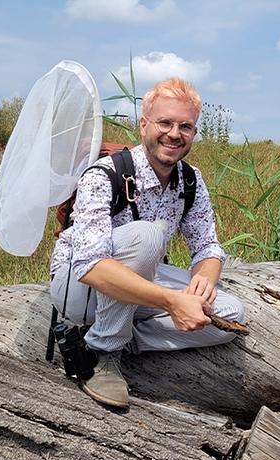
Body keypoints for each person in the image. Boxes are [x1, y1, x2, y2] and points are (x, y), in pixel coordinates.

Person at [48, 77, 245, 408]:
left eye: (185, 126)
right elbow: (90, 266)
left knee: (226, 315)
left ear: (194, 133)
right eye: (165, 122)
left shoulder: (190, 181)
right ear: (144, 125)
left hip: (136, 282)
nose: (174, 133)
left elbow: (208, 247)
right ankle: (103, 351)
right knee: (147, 236)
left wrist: (201, 286)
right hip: (79, 288)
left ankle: (119, 336)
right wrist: (171, 302)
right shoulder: (104, 174)